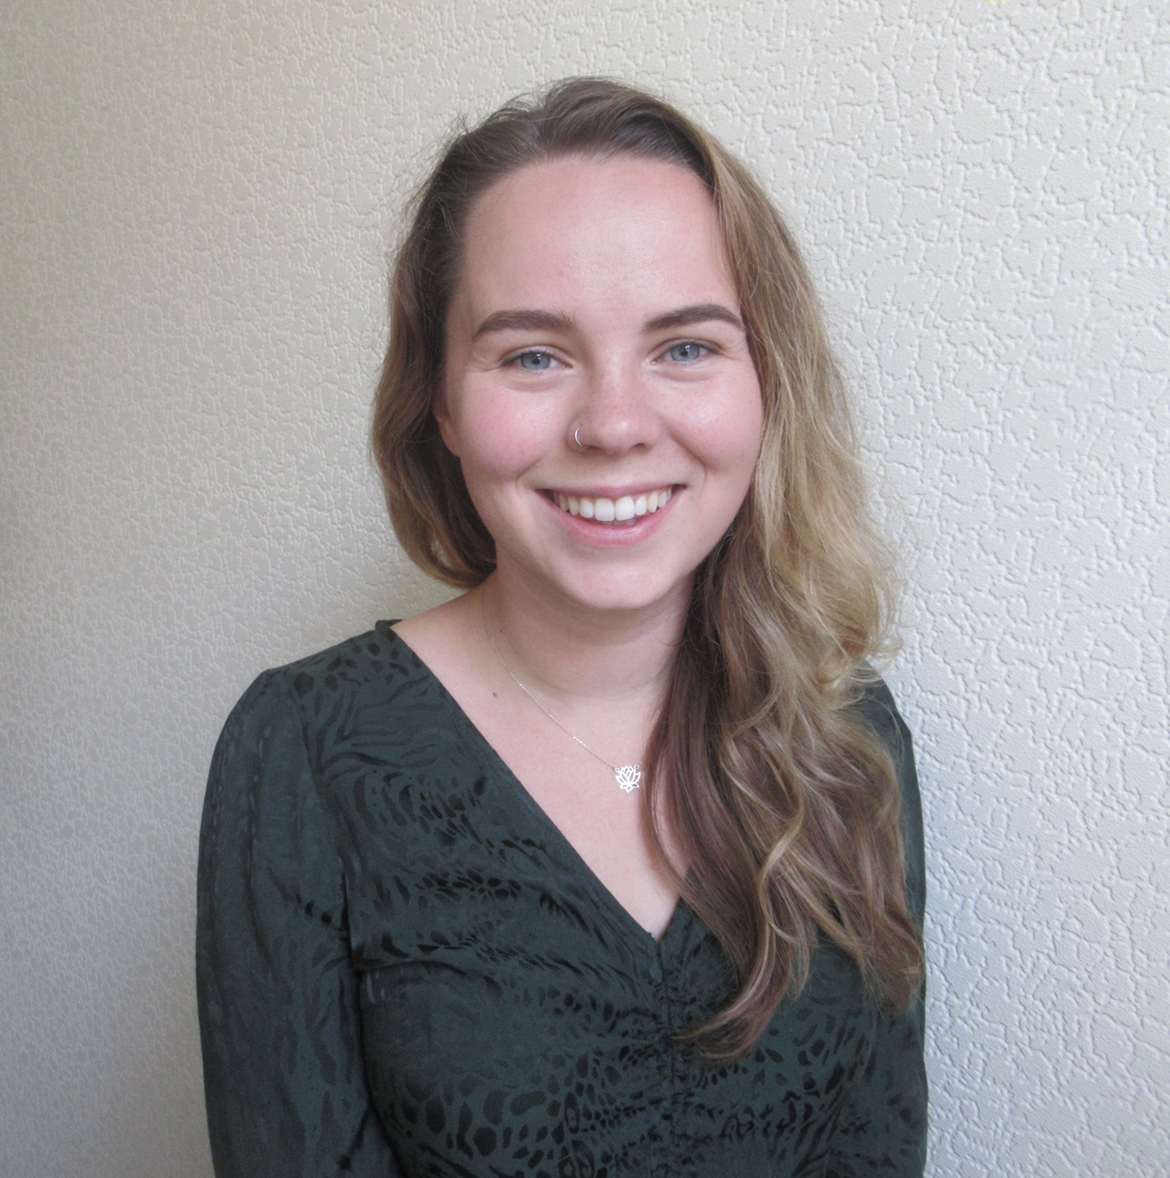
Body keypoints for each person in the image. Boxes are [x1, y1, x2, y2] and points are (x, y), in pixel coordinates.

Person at [196, 78, 927, 1178]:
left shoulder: (846, 731)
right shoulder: (302, 751)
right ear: (438, 400)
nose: (615, 425)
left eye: (685, 345)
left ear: (768, 383)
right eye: (534, 353)